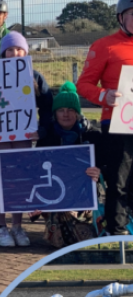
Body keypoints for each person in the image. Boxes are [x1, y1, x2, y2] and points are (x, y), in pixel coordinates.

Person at [77, 0, 133, 235]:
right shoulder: (105, 46)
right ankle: (117, 231)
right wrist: (104, 95)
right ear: (121, 17)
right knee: (119, 182)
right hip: (118, 123)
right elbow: (83, 84)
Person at [0, 32, 52, 247]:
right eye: (9, 50)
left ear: (25, 52)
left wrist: (41, 130)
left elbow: (47, 108)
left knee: (19, 179)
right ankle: (0, 226)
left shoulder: (35, 76)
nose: (14, 53)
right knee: (1, 179)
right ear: (2, 53)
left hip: (23, 134)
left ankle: (17, 225)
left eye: (19, 49)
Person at [35, 82, 101, 247]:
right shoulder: (46, 137)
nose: (65, 114)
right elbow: (36, 167)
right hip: (55, 193)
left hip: (84, 193)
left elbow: (105, 165)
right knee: (62, 236)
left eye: (70, 110)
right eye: (61, 110)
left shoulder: (92, 135)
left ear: (78, 113)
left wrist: (98, 171)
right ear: (54, 113)